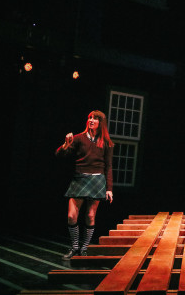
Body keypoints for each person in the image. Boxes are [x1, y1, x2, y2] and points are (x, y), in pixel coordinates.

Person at [55, 110, 114, 259]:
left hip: (97, 180)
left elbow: (108, 166)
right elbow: (60, 155)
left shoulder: (105, 142)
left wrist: (109, 189)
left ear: (101, 123)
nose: (91, 120)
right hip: (80, 179)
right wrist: (66, 144)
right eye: (89, 118)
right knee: (71, 216)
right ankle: (74, 247)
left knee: (90, 215)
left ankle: (84, 248)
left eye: (95, 118)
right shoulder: (79, 138)